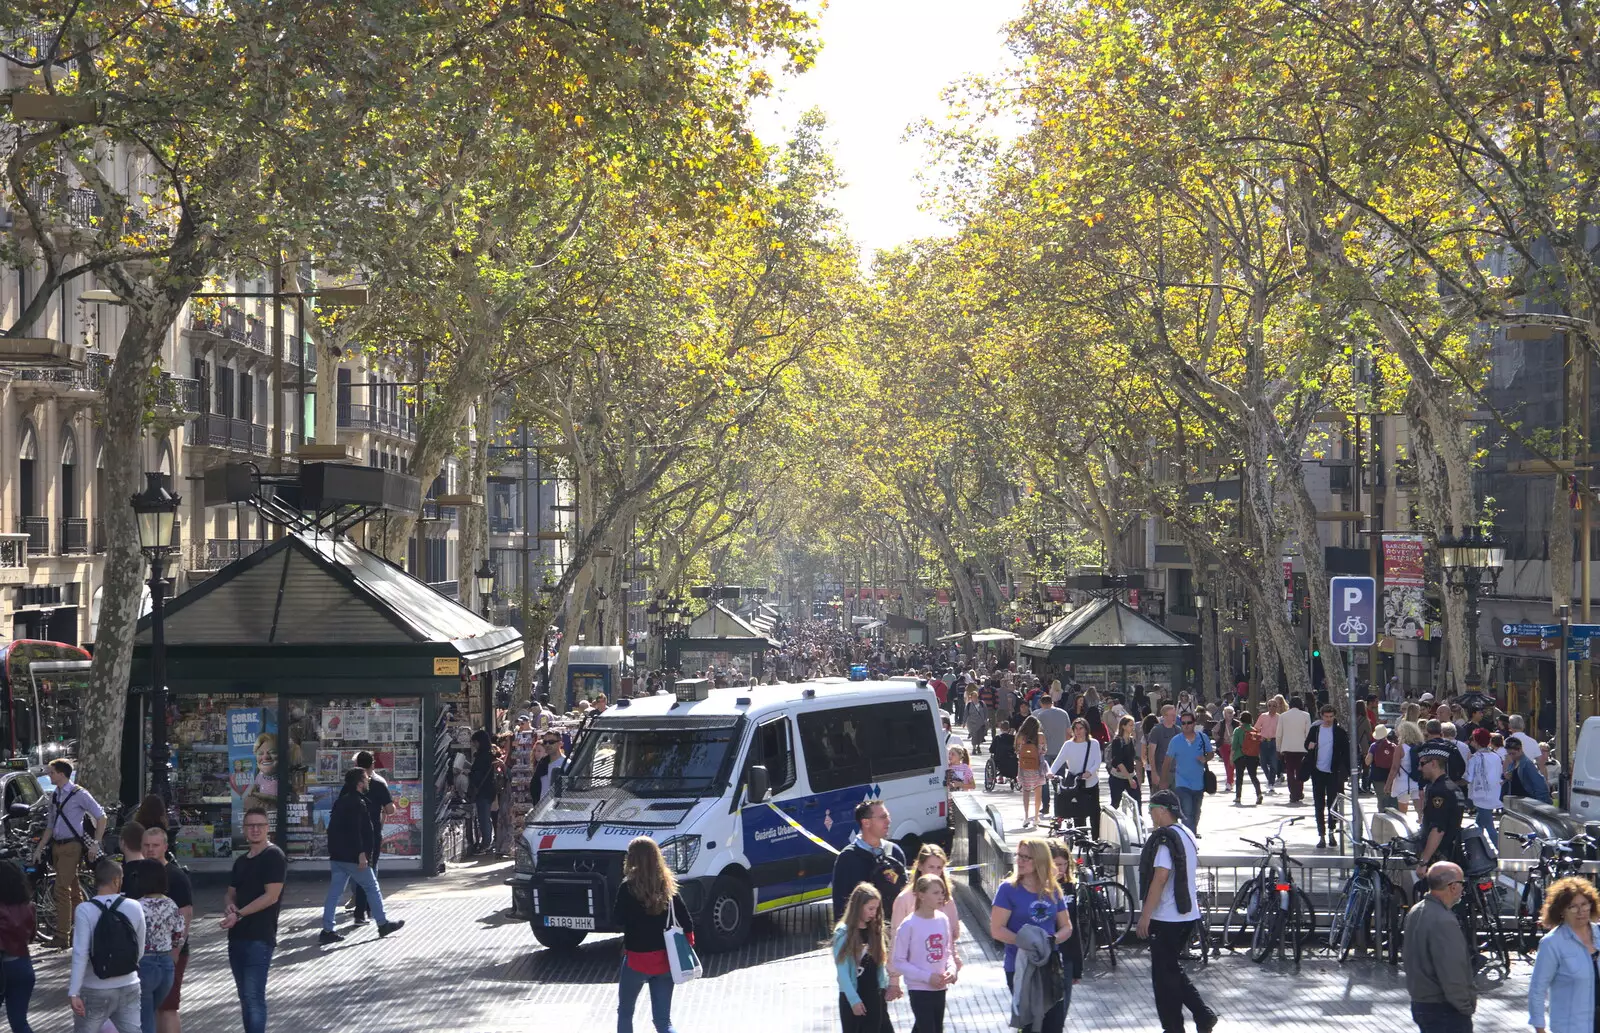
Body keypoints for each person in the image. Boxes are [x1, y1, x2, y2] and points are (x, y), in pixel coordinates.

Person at [1136, 790, 1216, 1033]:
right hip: (1187, 914)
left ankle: (1174, 1026)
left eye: (1152, 810)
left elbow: (1160, 878)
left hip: (1166, 917)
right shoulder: (1187, 833)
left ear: (1162, 810)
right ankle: (1201, 1015)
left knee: (1164, 978)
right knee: (1169, 969)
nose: (1150, 815)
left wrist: (1145, 915)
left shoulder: (1164, 841)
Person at [989, 838, 1071, 1033]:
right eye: (1019, 856)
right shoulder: (1008, 890)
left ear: (1040, 860)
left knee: (1054, 1023)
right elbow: (996, 929)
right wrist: (1026, 942)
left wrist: (1051, 941)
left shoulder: (1053, 889)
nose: (1020, 861)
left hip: (1049, 965)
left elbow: (1067, 927)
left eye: (1027, 857)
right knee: (1031, 1023)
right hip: (1020, 965)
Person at [613, 837, 693, 1033]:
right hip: (666, 961)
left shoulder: (627, 887)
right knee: (663, 1021)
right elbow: (687, 921)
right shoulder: (667, 886)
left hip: (636, 961)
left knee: (625, 1012)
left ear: (631, 859)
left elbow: (617, 918)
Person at [320, 768, 404, 944]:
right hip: (353, 857)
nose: (368, 782)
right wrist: (361, 854)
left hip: (338, 856)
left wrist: (334, 852)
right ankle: (382, 923)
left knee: (334, 893)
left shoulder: (341, 802)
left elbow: (334, 829)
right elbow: (356, 831)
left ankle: (327, 929)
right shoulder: (358, 803)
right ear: (359, 783)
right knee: (372, 886)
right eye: (366, 779)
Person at [220, 807, 285, 1033]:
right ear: (244, 830)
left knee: (254, 996)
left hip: (260, 936)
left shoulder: (273, 856)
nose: (255, 829)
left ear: (268, 828)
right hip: (236, 936)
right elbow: (230, 892)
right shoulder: (241, 861)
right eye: (250, 826)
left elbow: (271, 896)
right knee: (244, 998)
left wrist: (239, 914)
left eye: (260, 825)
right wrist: (229, 905)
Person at [124, 826, 190, 1033]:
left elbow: (186, 916)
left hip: (168, 954)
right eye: (146, 845)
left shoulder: (176, 877)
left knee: (167, 1009)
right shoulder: (136, 875)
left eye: (155, 845)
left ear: (165, 846)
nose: (151, 849)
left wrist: (175, 953)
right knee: (151, 1010)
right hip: (150, 958)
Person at [35, 760, 106, 948]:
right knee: (73, 891)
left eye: (51, 773)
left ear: (61, 774)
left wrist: (95, 844)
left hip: (72, 846)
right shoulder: (55, 795)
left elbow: (101, 816)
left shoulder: (79, 794)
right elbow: (50, 825)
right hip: (57, 846)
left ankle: (62, 936)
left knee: (61, 889)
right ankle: (84, 930)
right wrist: (40, 847)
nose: (49, 775)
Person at [68, 859, 144, 1033]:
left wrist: (74, 992)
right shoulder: (134, 906)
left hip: (95, 987)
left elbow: (80, 953)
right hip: (129, 984)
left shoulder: (84, 909)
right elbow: (139, 949)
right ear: (117, 880)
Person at [1403, 861, 1476, 1033]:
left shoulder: (1416, 911)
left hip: (1422, 1003)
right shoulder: (1444, 920)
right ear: (1452, 887)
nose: (1462, 889)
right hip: (1444, 1009)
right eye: (1462, 883)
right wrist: (1465, 1006)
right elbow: (1452, 970)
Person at [1527, 876, 1600, 1033]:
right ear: (1561, 911)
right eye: (1573, 907)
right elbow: (1537, 990)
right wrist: (1540, 1029)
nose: (1581, 911)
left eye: (1584, 904)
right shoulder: (1552, 943)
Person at [889, 874, 959, 1033]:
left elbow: (947, 952)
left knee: (934, 1028)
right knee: (928, 1028)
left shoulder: (942, 919)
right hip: (919, 988)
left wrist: (952, 970)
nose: (941, 897)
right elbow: (898, 961)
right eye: (935, 893)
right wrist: (927, 977)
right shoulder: (909, 925)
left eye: (942, 892)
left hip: (940, 987)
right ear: (921, 895)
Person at [831, 800, 908, 923]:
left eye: (888, 816)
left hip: (894, 931)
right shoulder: (848, 858)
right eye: (883, 817)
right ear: (866, 822)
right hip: (862, 936)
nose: (888, 821)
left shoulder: (894, 852)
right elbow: (840, 905)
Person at [129, 860, 181, 1033]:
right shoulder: (172, 904)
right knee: (152, 1010)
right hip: (166, 965)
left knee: (145, 1018)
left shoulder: (137, 906)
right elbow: (178, 933)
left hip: (145, 962)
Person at [834, 883, 892, 1033]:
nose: (874, 913)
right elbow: (843, 972)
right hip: (853, 995)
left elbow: (879, 964)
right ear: (858, 906)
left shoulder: (875, 930)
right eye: (870, 909)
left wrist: (885, 986)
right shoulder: (843, 933)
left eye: (876, 909)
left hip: (873, 995)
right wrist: (854, 1000)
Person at [349, 750, 396, 925]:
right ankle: (363, 911)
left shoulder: (351, 783)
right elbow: (390, 809)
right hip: (371, 831)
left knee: (357, 870)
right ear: (373, 764)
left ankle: (364, 907)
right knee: (368, 871)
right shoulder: (378, 783)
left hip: (353, 832)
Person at [1415, 746, 1466, 878]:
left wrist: (1423, 861)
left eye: (1422, 764)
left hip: (1440, 860)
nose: (1419, 768)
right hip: (1452, 855)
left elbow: (1438, 829)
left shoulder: (1439, 791)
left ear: (1433, 763)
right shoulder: (1453, 787)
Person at [1303, 705, 1349, 849]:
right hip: (1317, 772)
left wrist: (1345, 773)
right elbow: (1306, 744)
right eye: (1326, 716)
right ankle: (1321, 835)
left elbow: (1346, 753)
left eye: (1331, 716)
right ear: (1321, 716)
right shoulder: (1315, 730)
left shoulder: (1340, 732)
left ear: (1334, 716)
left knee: (1332, 805)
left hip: (1333, 773)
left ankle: (1331, 832)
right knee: (1318, 804)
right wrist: (1309, 746)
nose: (1328, 719)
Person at [1047, 718, 1103, 837]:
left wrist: (1090, 772)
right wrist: (1051, 772)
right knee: (1078, 813)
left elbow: (1097, 761)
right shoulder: (1068, 745)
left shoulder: (1093, 743)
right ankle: (1081, 838)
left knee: (1094, 813)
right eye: (1076, 729)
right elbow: (1059, 760)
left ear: (1086, 729)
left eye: (1081, 728)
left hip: (1091, 782)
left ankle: (1095, 839)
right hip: (1075, 784)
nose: (1078, 731)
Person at [1162, 713, 1214, 836]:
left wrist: (1205, 758)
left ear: (1194, 723)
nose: (1186, 726)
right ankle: (1189, 839)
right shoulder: (1176, 741)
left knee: (1196, 812)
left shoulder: (1203, 737)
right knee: (1187, 812)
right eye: (1183, 723)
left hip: (1199, 783)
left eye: (1188, 723)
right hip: (1182, 783)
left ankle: (1191, 833)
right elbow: (1167, 761)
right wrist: (1163, 781)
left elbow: (1211, 753)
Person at [0, 859, 36, 1033]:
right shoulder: (29, 907)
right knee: (19, 1022)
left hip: (3, 966)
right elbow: (31, 936)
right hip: (23, 965)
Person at [1464, 729, 1503, 842]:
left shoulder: (1475, 758)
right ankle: (1477, 845)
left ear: (1476, 742)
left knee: (1489, 827)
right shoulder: (1496, 756)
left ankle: (1500, 852)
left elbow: (1468, 778)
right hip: (1494, 793)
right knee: (1479, 824)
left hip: (1481, 795)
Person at [467, 730, 501, 855]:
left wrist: (469, 774)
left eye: (475, 742)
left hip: (483, 791)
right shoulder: (489, 755)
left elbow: (478, 775)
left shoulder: (482, 757)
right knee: (486, 818)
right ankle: (488, 841)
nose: (474, 745)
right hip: (488, 790)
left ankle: (486, 843)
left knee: (484, 818)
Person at [1276, 696, 1311, 805]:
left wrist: (1279, 748)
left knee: (1290, 771)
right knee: (1300, 771)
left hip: (1288, 748)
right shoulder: (1306, 716)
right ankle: (1299, 791)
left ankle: (1293, 793)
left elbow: (1279, 734)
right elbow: (1308, 733)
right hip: (1302, 748)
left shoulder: (1283, 716)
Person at [1015, 716, 1047, 829]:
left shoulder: (1020, 737)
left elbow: (1018, 751)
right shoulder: (1040, 736)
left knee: (1026, 792)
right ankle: (1036, 817)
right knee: (1038, 792)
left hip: (1024, 768)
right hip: (1037, 767)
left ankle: (1026, 816)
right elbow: (1044, 751)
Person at [1107, 715, 1142, 810]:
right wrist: (1129, 779)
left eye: (1133, 725)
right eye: (1130, 725)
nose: (1133, 727)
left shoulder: (1131, 740)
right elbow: (1118, 761)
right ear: (1123, 726)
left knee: (1137, 801)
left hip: (1130, 774)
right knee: (1115, 804)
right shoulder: (1117, 741)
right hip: (1118, 777)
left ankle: (1139, 822)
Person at [1505, 737, 1553, 803]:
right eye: (1509, 754)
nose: (1511, 756)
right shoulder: (1513, 764)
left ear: (1520, 750)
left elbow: (1539, 784)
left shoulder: (1527, 764)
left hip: (1527, 803)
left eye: (1513, 753)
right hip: (1516, 803)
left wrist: (1541, 804)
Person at [1145, 706, 1180, 792]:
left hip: (1176, 773)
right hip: (1161, 772)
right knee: (1160, 800)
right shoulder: (1156, 730)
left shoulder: (1178, 730)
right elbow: (1151, 753)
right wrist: (1153, 772)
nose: (1174, 717)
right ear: (1164, 716)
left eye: (1175, 715)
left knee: (1177, 801)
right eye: (1171, 715)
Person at [1232, 711, 1263, 806]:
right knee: (1253, 776)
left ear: (1240, 719)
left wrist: (1231, 757)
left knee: (1239, 777)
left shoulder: (1237, 730)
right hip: (1252, 756)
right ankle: (1259, 794)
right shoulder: (1254, 731)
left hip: (1240, 756)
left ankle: (1238, 796)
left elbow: (1234, 745)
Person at [1034, 695, 1071, 772]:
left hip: (1045, 750)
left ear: (1041, 703)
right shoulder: (1063, 713)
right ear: (1052, 702)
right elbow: (1068, 732)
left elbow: (1036, 733)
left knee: (1045, 775)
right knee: (1060, 776)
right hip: (1060, 749)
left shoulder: (1039, 715)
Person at [1369, 724, 1399, 812]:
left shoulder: (1373, 746)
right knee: (1392, 798)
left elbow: (1367, 761)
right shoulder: (1393, 746)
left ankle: (1382, 815)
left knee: (1381, 798)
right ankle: (1393, 816)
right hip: (1391, 775)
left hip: (1377, 776)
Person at [1255, 697, 1281, 793]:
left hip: (1274, 742)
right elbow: (1256, 728)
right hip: (1264, 741)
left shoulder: (1280, 717)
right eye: (1269, 705)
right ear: (1267, 706)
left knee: (1274, 763)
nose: (1272, 707)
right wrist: (1259, 736)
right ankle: (1270, 779)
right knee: (1263, 763)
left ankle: (1271, 784)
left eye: (1274, 706)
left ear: (1277, 707)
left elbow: (1282, 731)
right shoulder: (1263, 716)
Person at [1214, 706, 1237, 793]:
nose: (1230, 714)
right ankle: (1229, 781)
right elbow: (1214, 731)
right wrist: (1218, 739)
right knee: (1227, 763)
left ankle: (1229, 781)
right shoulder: (1221, 723)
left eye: (1231, 712)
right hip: (1223, 746)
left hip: (1234, 746)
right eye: (1228, 712)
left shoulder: (1237, 723)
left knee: (1231, 763)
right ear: (1224, 714)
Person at [963, 688, 987, 754]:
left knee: (979, 736)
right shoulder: (969, 705)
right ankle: (974, 748)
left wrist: (985, 720)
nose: (974, 698)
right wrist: (964, 722)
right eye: (973, 696)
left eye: (975, 696)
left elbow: (985, 712)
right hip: (972, 723)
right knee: (974, 735)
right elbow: (966, 714)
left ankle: (978, 746)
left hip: (980, 722)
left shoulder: (982, 703)